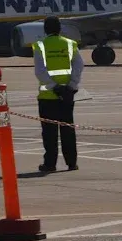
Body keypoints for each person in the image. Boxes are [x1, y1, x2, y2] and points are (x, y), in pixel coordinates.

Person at [32, 16, 85, 173]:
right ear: (60, 29)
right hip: (67, 95)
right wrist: (70, 86)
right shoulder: (70, 44)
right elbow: (79, 66)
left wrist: (54, 87)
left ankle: (50, 164)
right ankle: (71, 163)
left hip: (48, 96)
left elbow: (40, 71)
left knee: (49, 133)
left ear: (45, 29)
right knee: (68, 130)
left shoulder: (40, 46)